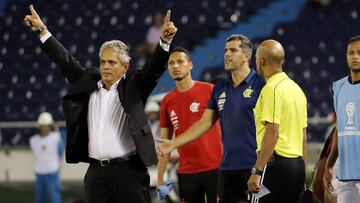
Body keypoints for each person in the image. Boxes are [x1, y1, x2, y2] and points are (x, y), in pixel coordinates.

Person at [24, 5, 177, 203]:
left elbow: (154, 68)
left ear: (125, 66)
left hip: (128, 172)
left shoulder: (134, 85)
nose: (105, 67)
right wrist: (43, 31)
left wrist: (164, 42)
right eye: (103, 62)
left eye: (112, 63)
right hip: (96, 173)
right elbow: (65, 61)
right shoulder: (88, 81)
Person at [157, 34, 265, 202]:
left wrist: (260, 168)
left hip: (251, 166)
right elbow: (205, 123)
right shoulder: (220, 88)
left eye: (233, 50)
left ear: (247, 56)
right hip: (225, 169)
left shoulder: (261, 85)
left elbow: (274, 128)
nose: (227, 54)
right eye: (225, 50)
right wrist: (173, 144)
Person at [157, 47, 223, 203]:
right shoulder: (167, 101)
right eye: (171, 63)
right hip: (187, 172)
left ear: (190, 65)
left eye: (180, 61)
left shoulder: (210, 90)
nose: (175, 66)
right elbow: (164, 143)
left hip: (216, 168)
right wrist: (160, 177)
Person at [247, 39, 308, 203]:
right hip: (297, 166)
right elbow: (303, 138)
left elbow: (272, 134)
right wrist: (302, 175)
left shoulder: (271, 89)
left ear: (261, 61)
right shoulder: (297, 90)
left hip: (274, 164)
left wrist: (257, 171)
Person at [324, 35, 360, 203]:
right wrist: (330, 164)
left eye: (359, 52)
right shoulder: (338, 87)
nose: (355, 56)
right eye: (351, 53)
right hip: (345, 174)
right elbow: (340, 129)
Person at [30, 112, 63, 203]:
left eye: (47, 125)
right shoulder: (33, 140)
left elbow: (60, 153)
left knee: (54, 198)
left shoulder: (57, 137)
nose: (45, 128)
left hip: (52, 173)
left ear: (50, 126)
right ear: (39, 126)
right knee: (39, 199)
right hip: (39, 173)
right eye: (43, 125)